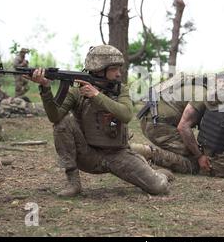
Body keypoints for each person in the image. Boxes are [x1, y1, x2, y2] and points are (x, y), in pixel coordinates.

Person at [27, 44, 172, 197]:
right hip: (88, 155)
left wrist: (96, 95)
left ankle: (159, 174)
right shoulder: (77, 91)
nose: (118, 74)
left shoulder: (121, 89)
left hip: (118, 155)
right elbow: (55, 117)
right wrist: (45, 88)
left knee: (159, 188)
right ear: (99, 70)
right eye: (113, 69)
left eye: (119, 69)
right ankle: (73, 183)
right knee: (64, 122)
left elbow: (127, 115)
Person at [135, 73, 213, 174]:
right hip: (159, 126)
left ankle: (150, 157)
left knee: (188, 153)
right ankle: (145, 152)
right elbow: (183, 127)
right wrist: (199, 155)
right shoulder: (203, 94)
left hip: (151, 121)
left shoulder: (193, 87)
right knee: (195, 162)